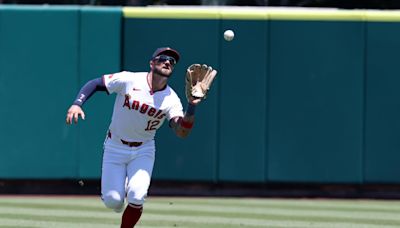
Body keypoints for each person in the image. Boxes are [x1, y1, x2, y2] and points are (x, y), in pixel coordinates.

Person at [65, 47, 202, 227]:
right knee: (113, 201)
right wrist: (77, 104)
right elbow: (96, 83)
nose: (168, 62)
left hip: (143, 149)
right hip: (115, 146)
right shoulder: (130, 79)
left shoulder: (172, 99)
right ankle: (116, 194)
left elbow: (182, 131)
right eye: (162, 58)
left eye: (172, 61)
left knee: (137, 196)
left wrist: (191, 106)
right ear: (152, 63)